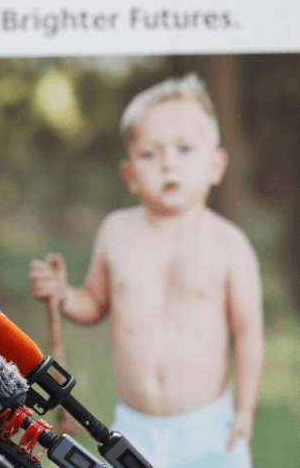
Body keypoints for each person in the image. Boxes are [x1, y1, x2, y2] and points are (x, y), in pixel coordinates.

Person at [29, 74, 265, 468]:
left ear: (216, 165)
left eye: (186, 149)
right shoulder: (117, 232)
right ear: (130, 175)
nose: (169, 163)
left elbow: (248, 335)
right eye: (150, 154)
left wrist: (245, 411)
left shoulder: (229, 244)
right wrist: (64, 294)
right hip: (132, 428)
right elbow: (94, 303)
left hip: (208, 427)